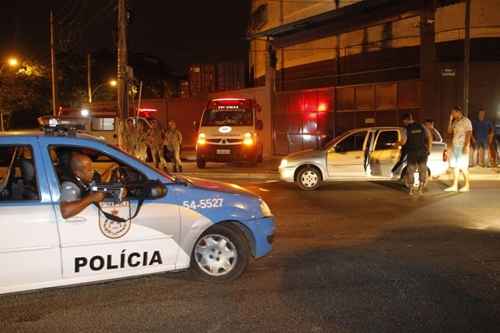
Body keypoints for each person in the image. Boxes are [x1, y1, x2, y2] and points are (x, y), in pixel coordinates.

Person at [59, 153, 110, 219]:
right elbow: (65, 212)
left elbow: (98, 184)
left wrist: (115, 190)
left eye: (92, 168)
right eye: (89, 170)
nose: (93, 172)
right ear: (78, 173)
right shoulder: (70, 185)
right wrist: (91, 198)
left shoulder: (85, 179)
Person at [398, 113, 432, 195]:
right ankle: (420, 190)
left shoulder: (406, 129)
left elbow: (403, 142)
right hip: (423, 152)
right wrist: (429, 149)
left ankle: (411, 190)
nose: (404, 123)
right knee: (423, 170)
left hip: (412, 152)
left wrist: (397, 143)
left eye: (404, 121)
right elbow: (430, 136)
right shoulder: (422, 126)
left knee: (411, 171)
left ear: (406, 120)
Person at [446, 106, 473, 192]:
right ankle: (455, 185)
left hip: (462, 146)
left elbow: (469, 133)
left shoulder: (466, 121)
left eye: (453, 113)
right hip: (455, 146)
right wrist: (450, 120)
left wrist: (466, 146)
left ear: (458, 112)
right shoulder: (455, 122)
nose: (452, 114)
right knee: (455, 166)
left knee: (463, 166)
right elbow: (449, 131)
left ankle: (467, 185)